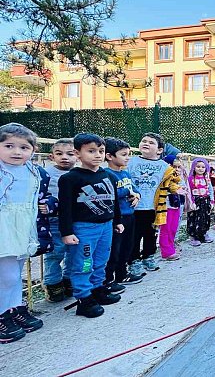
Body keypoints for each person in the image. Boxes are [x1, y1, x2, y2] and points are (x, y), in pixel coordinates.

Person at [58, 133, 123, 318]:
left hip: (106, 226)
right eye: (91, 151)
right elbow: (65, 208)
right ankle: (84, 298)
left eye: (101, 151)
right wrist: (67, 232)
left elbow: (114, 201)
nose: (97, 155)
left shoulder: (108, 176)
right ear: (77, 154)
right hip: (84, 228)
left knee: (101, 260)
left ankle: (97, 289)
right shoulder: (71, 178)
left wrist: (117, 221)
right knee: (84, 263)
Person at [0, 123, 44, 343]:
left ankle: (14, 308)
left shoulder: (31, 170)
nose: (17, 152)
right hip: (3, 227)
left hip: (23, 225)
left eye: (24, 147)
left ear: (33, 150)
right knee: (5, 275)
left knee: (15, 273)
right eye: (9, 146)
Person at [104, 138, 143, 289]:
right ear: (109, 156)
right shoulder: (107, 174)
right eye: (124, 154)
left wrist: (137, 195)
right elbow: (112, 193)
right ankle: (108, 279)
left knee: (127, 246)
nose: (128, 158)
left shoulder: (125, 173)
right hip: (117, 218)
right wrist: (128, 191)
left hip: (130, 215)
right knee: (114, 249)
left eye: (129, 154)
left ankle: (122, 274)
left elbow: (134, 188)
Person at [127, 133, 169, 275]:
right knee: (134, 235)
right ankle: (133, 260)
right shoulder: (130, 162)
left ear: (159, 150)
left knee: (150, 234)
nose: (146, 143)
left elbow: (172, 183)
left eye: (151, 142)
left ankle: (148, 256)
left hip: (154, 207)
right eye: (143, 141)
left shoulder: (164, 166)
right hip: (134, 207)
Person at [43, 138, 76, 302]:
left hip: (75, 220)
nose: (65, 157)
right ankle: (53, 284)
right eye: (59, 153)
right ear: (51, 156)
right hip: (54, 220)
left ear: (77, 155)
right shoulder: (46, 174)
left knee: (73, 252)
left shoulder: (79, 173)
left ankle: (68, 280)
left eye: (70, 154)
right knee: (55, 253)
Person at [156, 154, 186, 260]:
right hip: (166, 205)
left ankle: (171, 247)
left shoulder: (178, 178)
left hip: (176, 205)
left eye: (179, 167)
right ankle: (166, 251)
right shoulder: (164, 178)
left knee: (173, 228)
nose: (176, 169)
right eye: (174, 166)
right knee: (166, 229)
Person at [187, 157, 214, 246]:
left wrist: (212, 201)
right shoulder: (190, 179)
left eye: (203, 167)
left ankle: (204, 233)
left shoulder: (207, 178)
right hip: (195, 201)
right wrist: (191, 202)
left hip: (205, 200)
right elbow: (189, 191)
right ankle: (194, 236)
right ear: (194, 167)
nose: (200, 169)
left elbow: (210, 189)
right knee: (194, 218)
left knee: (205, 217)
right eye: (198, 166)